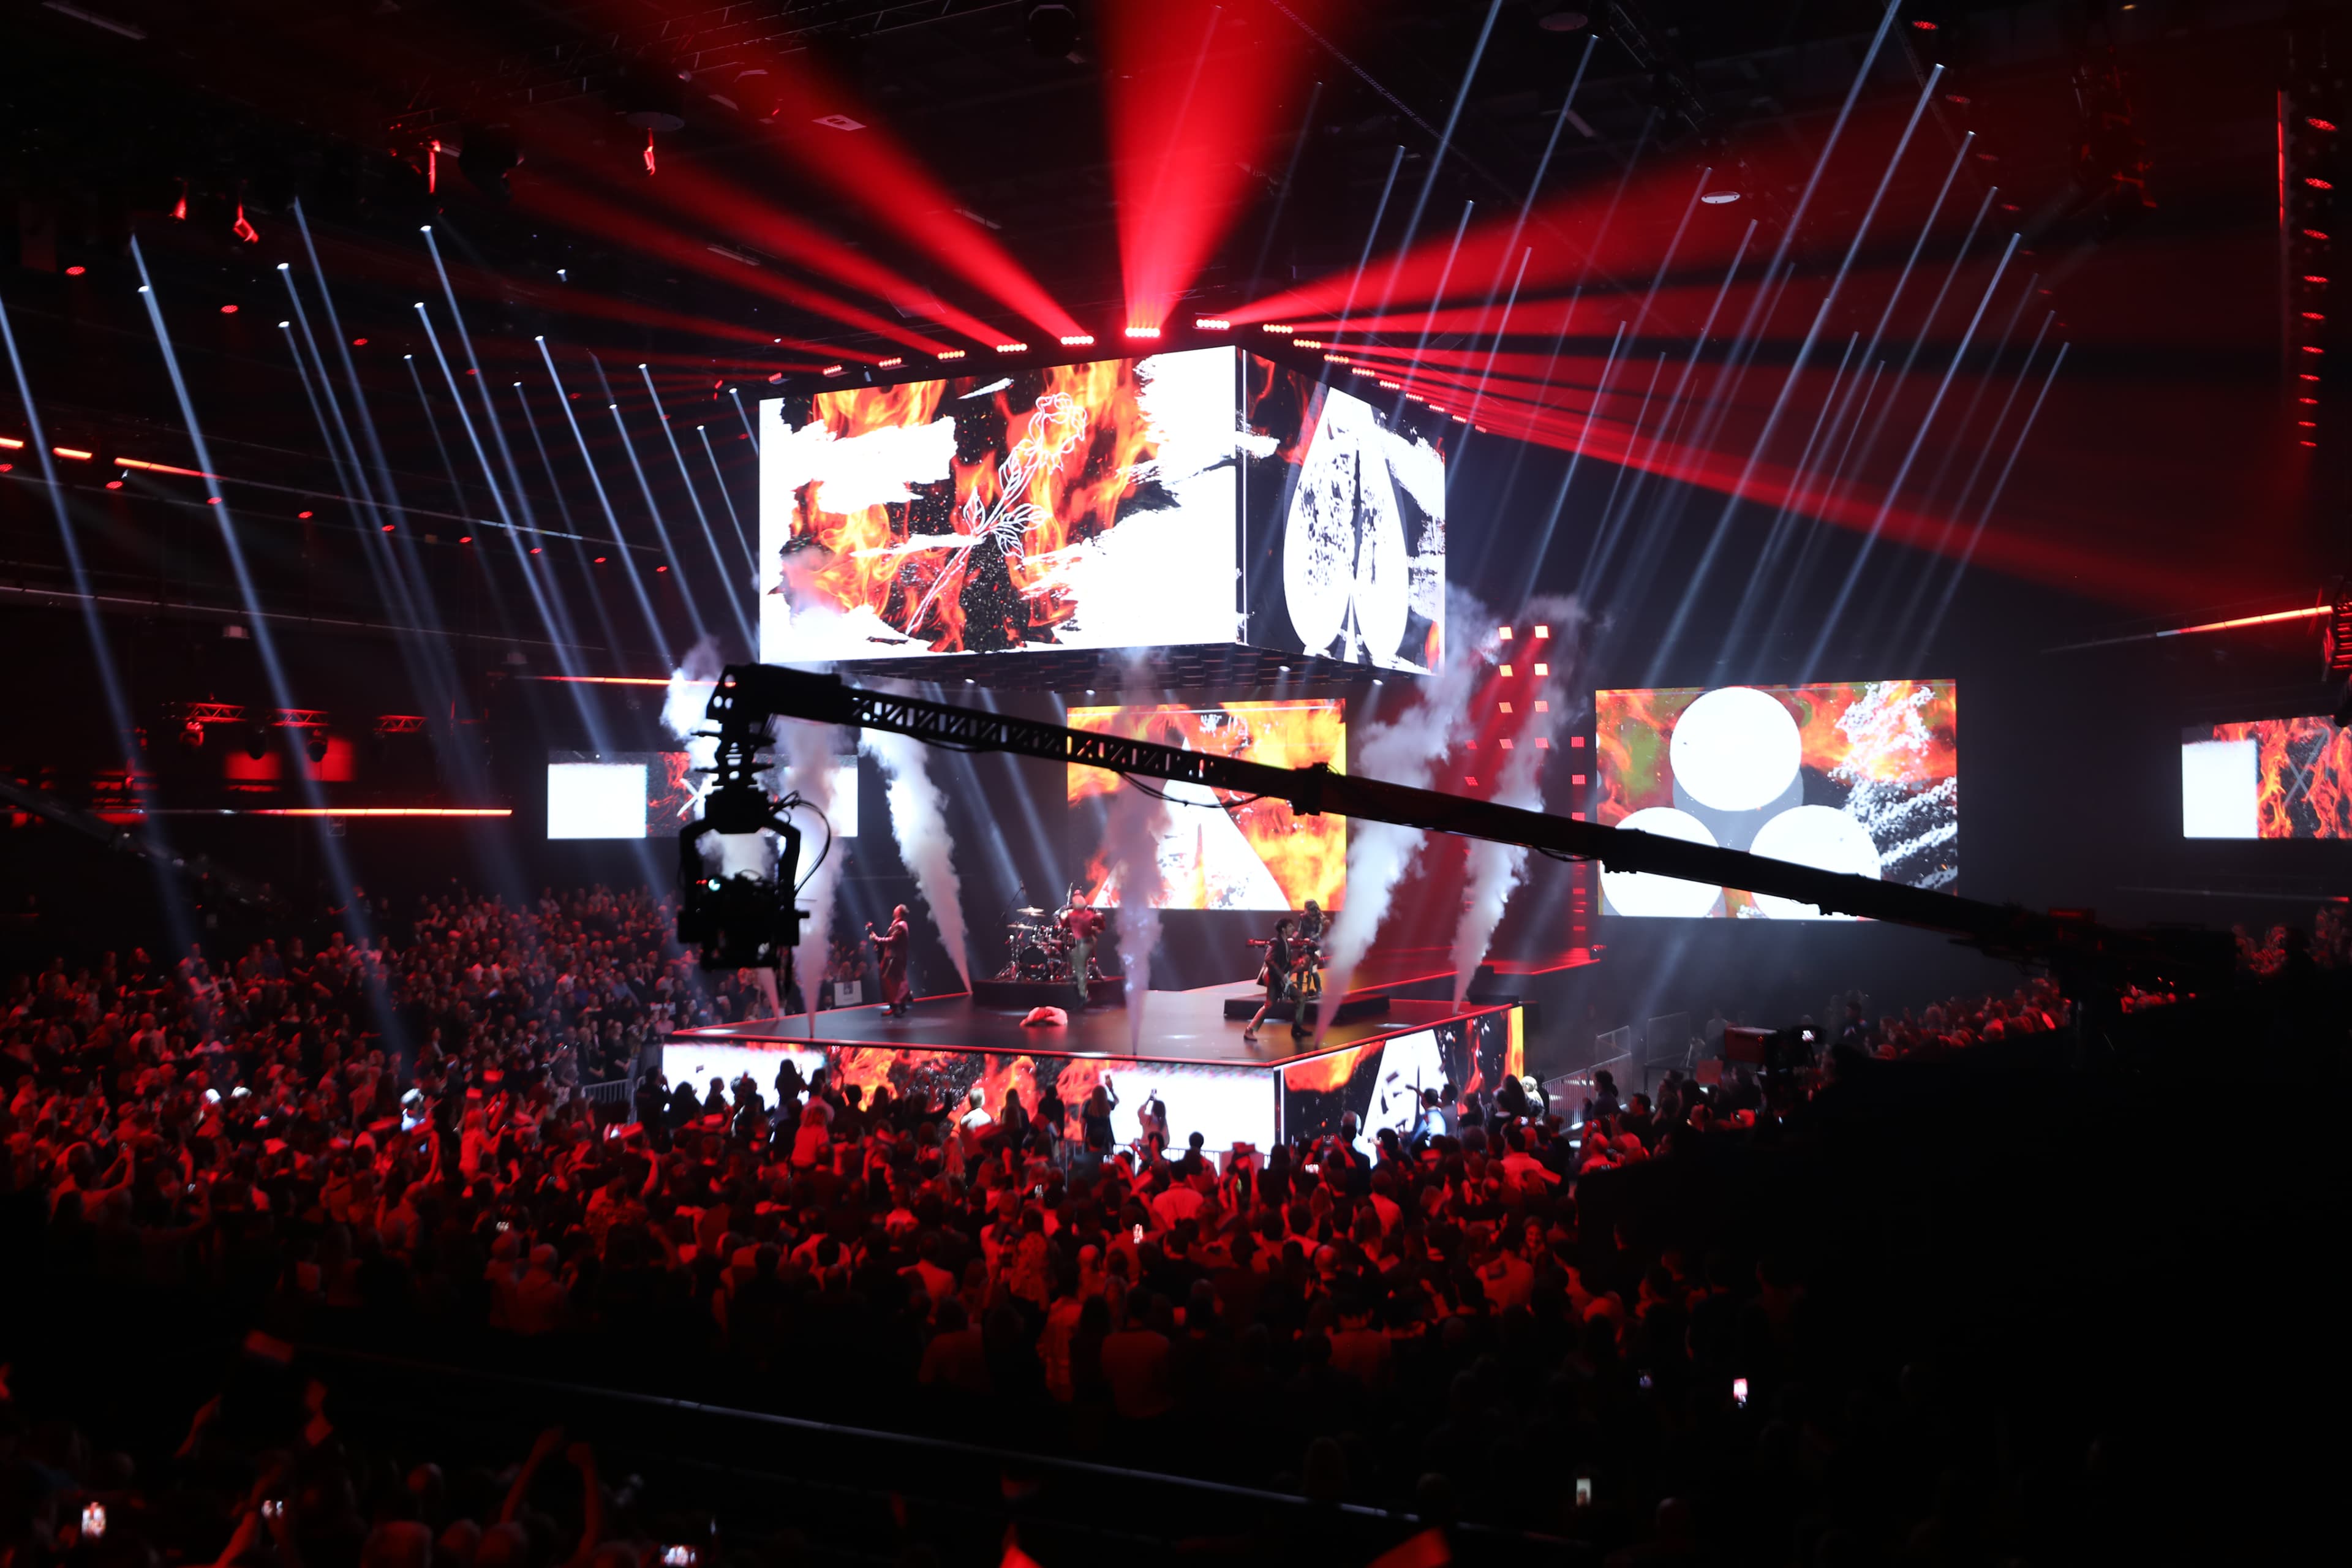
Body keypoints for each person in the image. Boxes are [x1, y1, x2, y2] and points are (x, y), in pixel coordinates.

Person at [1242, 918, 1295, 1043]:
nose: (1293, 929)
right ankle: (1249, 1030)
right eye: (1290, 926)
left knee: (1300, 998)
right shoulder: (1275, 942)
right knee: (1269, 1004)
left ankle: (1297, 1028)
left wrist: (1296, 965)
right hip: (1273, 977)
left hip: (1280, 978)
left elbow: (1285, 963)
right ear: (1283, 929)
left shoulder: (1287, 943)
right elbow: (1269, 960)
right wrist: (1282, 976)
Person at [1060, 888, 1105, 1012]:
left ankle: (1084, 997)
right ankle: (1079, 992)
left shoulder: (1089, 911)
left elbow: (1100, 920)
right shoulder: (1070, 911)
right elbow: (1060, 921)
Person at [868, 905, 911, 1017]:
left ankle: (896, 1007)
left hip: (894, 958)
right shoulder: (897, 924)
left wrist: (877, 939)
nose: (894, 909)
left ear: (899, 912)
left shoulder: (900, 925)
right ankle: (900, 1006)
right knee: (895, 981)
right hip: (893, 957)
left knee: (891, 983)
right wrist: (879, 943)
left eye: (896, 909)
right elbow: (889, 938)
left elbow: (892, 940)